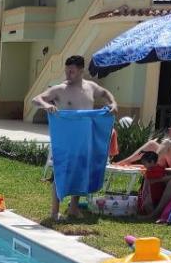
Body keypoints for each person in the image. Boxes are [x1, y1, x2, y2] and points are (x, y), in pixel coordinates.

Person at [32, 55, 119, 221]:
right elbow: (36, 99)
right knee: (61, 171)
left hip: (85, 138)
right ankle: (55, 212)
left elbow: (105, 93)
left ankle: (73, 208)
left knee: (81, 170)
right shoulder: (60, 89)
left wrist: (113, 103)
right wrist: (47, 105)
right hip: (66, 140)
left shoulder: (91, 87)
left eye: (71, 71)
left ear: (81, 71)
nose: (68, 74)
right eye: (66, 71)